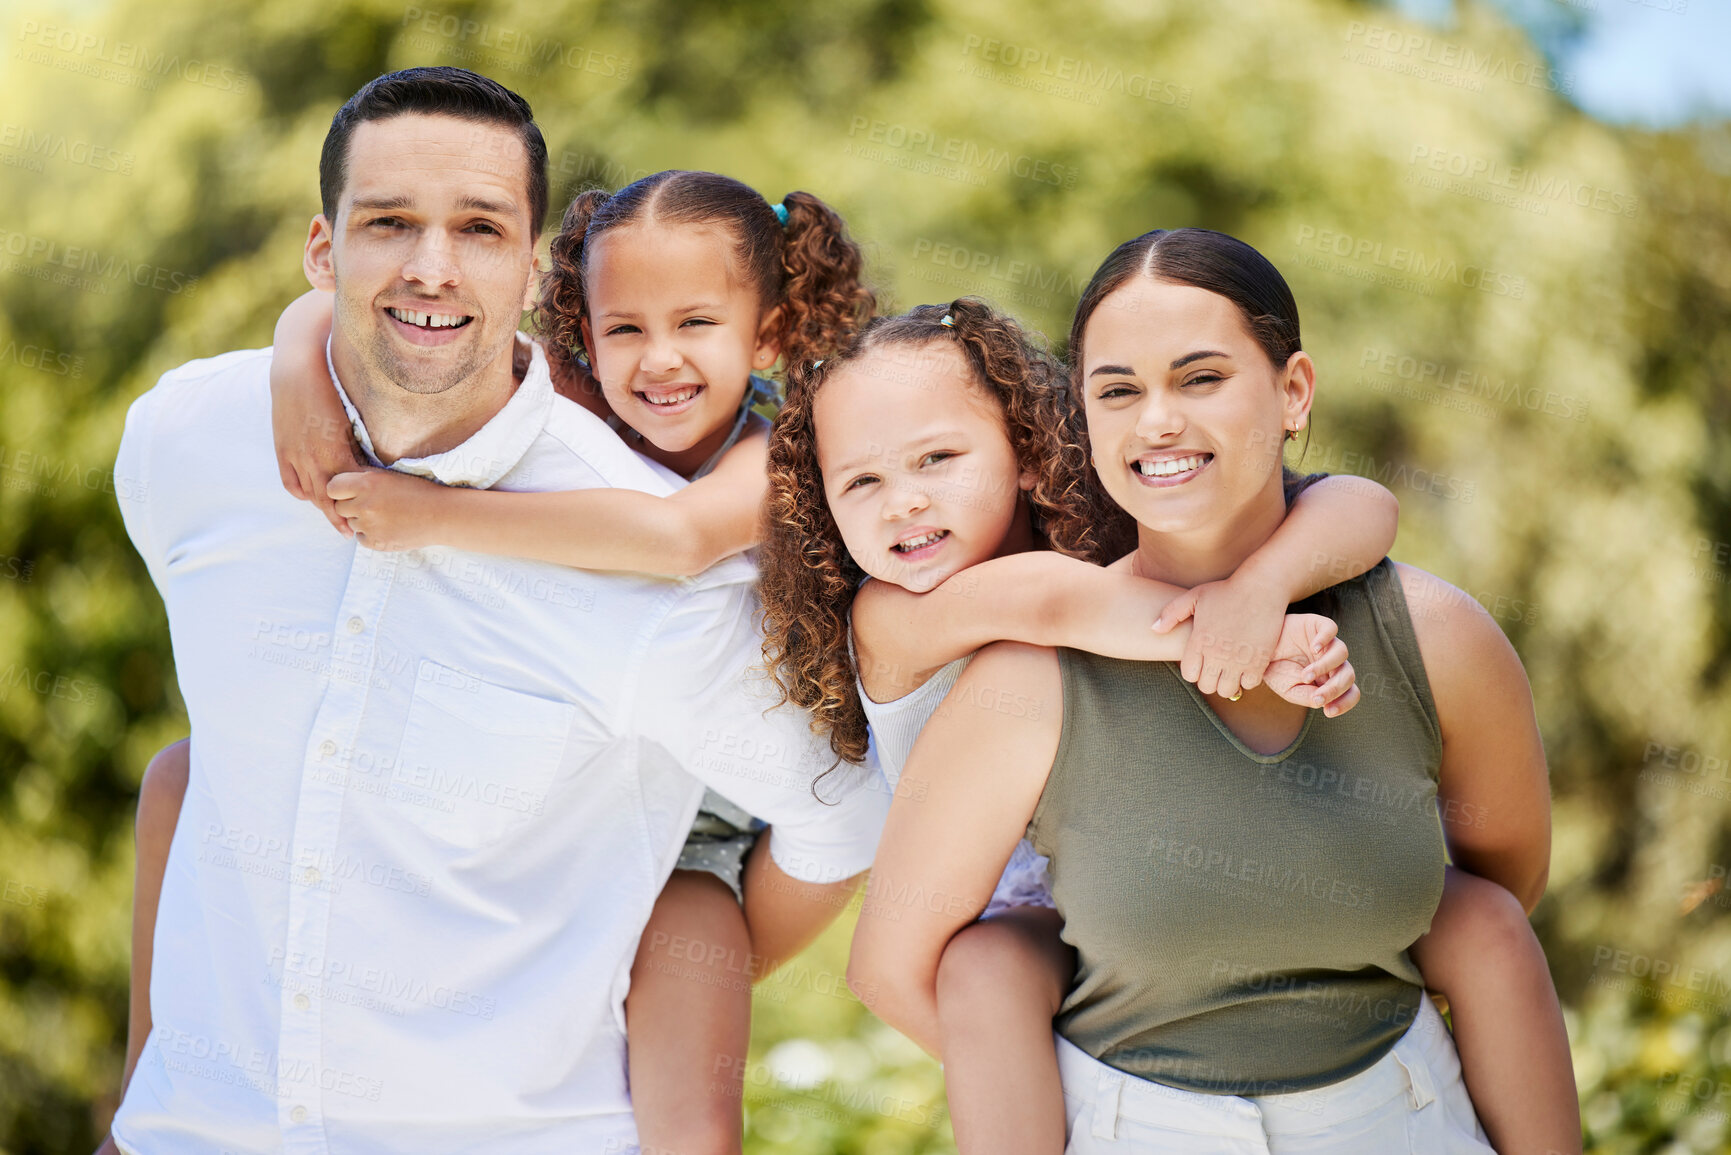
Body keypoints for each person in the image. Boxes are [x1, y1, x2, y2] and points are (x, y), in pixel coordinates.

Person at [103, 67, 886, 1155]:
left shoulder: (692, 542)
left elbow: (840, 807)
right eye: (388, 224)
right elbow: (216, 787)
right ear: (322, 251)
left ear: (524, 270)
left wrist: (674, 954)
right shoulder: (184, 442)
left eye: (478, 229)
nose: (432, 267)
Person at [848, 229, 1580, 1154]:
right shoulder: (1029, 681)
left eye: (1199, 378)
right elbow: (894, 967)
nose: (1154, 421)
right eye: (1117, 390)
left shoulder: (1437, 638)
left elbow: (1500, 888)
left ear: (1292, 392)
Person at [758, 296, 1397, 1153]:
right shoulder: (894, 615)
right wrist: (1262, 639)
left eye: (937, 458)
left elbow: (1358, 504)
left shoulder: (1116, 554)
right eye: (861, 482)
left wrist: (1262, 587)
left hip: (1147, 897)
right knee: (986, 976)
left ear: (1024, 455)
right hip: (1019, 927)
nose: (903, 503)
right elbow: (1049, 599)